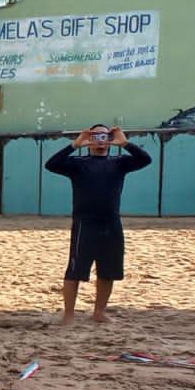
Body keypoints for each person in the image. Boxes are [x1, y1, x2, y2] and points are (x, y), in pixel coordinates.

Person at [43, 125, 152, 324]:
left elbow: (145, 160)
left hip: (111, 222)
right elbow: (51, 164)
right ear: (89, 138)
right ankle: (68, 315)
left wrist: (125, 143)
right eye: (96, 135)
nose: (100, 139)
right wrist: (75, 144)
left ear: (110, 138)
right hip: (85, 223)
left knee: (108, 271)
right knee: (75, 270)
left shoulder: (120, 162)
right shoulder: (78, 163)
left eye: (105, 135)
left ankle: (99, 312)